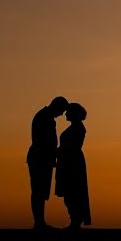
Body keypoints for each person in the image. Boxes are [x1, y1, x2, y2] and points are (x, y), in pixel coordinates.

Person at [27, 95, 68, 229]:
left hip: (43, 158)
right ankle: (39, 222)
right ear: (57, 107)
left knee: (41, 191)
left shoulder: (46, 116)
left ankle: (40, 221)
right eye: (61, 111)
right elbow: (41, 141)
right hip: (40, 158)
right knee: (38, 190)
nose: (62, 115)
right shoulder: (43, 117)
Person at [55, 102, 91, 229]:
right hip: (69, 161)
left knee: (72, 192)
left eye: (68, 112)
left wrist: (58, 152)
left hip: (72, 162)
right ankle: (75, 219)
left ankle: (76, 220)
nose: (65, 114)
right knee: (70, 192)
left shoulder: (78, 128)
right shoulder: (76, 127)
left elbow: (71, 147)